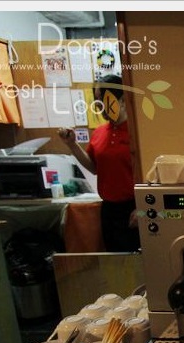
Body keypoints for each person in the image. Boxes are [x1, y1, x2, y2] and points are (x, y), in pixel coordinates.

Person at [57, 74, 140, 252]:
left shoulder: (137, 132)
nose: (100, 106)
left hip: (135, 207)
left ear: (122, 100)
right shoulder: (99, 133)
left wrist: (143, 208)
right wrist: (72, 144)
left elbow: (150, 172)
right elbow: (94, 168)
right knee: (115, 259)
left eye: (103, 99)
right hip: (109, 209)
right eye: (97, 101)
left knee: (138, 261)